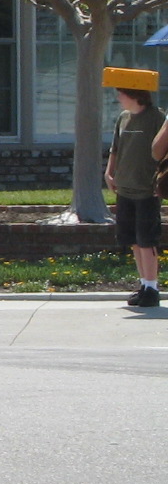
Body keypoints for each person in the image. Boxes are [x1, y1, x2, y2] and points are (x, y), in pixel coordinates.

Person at [102, 69, 165, 307]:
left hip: (146, 190)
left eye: (120, 93)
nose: (118, 98)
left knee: (147, 239)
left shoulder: (156, 117)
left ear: (133, 94)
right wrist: (109, 172)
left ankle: (152, 287)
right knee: (134, 240)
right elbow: (116, 148)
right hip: (125, 190)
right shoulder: (123, 118)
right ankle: (143, 284)